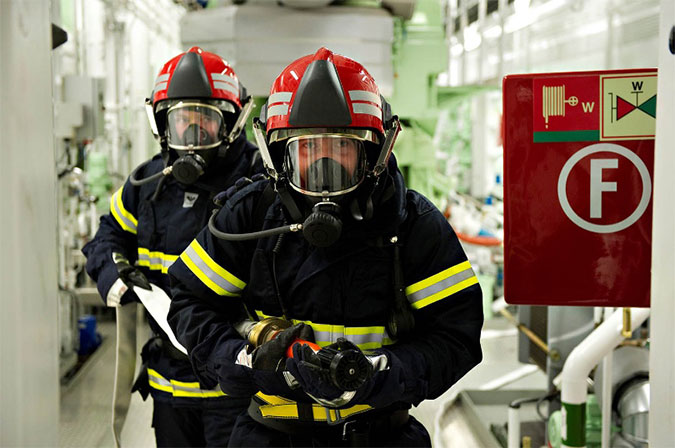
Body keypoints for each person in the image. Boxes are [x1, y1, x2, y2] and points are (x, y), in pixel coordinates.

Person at [167, 47, 483, 447]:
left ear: (374, 154)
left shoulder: (413, 225)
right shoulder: (251, 215)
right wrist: (245, 361)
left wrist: (378, 374)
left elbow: (456, 337)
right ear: (279, 157)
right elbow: (189, 302)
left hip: (381, 436)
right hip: (270, 435)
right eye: (307, 149)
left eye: (341, 147)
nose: (323, 167)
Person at [82, 46, 262, 447]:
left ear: (232, 124)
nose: (193, 135)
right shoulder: (147, 184)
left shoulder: (259, 186)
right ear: (163, 124)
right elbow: (107, 236)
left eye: (206, 121)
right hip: (170, 386)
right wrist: (116, 274)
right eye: (182, 121)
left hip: (238, 386)